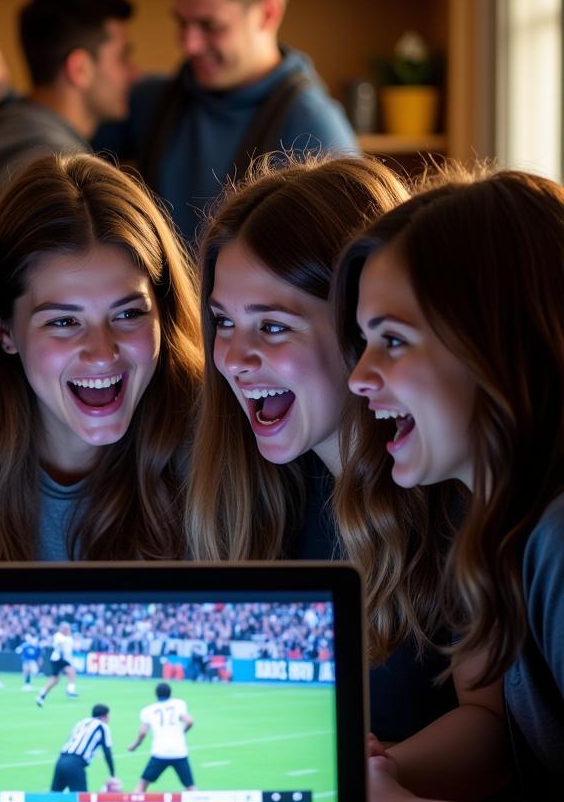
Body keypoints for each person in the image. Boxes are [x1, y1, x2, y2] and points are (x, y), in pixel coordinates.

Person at [185, 155, 486, 743]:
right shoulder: (254, 490)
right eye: (223, 322)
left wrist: (359, 786)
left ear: (361, 327)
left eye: (272, 326)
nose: (234, 359)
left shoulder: (453, 489)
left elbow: (494, 735)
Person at [336, 169, 564, 802]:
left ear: (496, 339)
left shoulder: (559, 535)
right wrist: (370, 776)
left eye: (394, 341)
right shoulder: (491, 519)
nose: (360, 377)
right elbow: (498, 733)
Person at [0, 0, 357, 246]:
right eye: (181, 22)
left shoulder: (314, 129)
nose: (190, 44)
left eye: (209, 25)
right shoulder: (154, 102)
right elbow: (56, 126)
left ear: (268, 14)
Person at [0, 151, 203, 565]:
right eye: (63, 322)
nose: (102, 352)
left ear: (163, 313)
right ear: (3, 329)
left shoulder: (213, 448)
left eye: (129, 314)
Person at [0, 0, 136, 262]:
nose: (133, 74)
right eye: (123, 58)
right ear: (80, 68)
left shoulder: (2, 140)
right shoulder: (61, 177)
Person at [128, 682, 196, 792]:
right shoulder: (179, 704)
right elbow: (189, 721)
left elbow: (143, 733)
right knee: (190, 787)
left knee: (142, 784)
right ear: (170, 693)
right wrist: (182, 732)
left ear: (156, 694)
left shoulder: (148, 710)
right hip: (179, 751)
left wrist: (134, 746)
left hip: (160, 752)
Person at [51, 704, 117, 793]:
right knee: (81, 801)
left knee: (53, 798)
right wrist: (112, 774)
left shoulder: (81, 722)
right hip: (75, 764)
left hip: (61, 760)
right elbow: (107, 753)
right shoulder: (103, 727)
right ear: (104, 716)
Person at [36, 621, 80, 707]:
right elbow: (59, 646)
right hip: (59, 658)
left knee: (55, 680)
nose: (68, 630)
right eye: (67, 629)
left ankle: (42, 694)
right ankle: (70, 690)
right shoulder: (58, 636)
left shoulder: (69, 638)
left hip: (63, 659)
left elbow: (70, 650)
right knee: (70, 672)